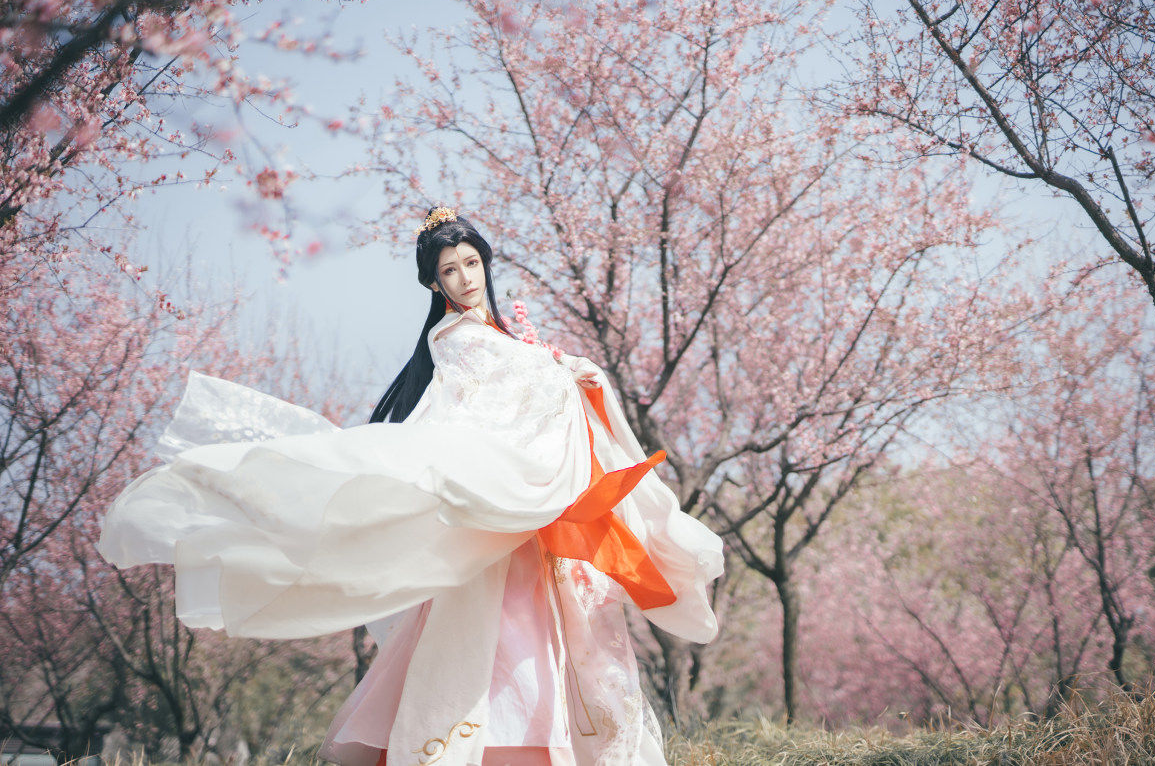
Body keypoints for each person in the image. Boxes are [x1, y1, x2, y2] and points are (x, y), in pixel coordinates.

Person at [97, 207, 723, 766]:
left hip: (531, 523)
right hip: (501, 519)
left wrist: (564, 375)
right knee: (499, 646)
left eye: (472, 263)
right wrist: (567, 374)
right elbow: (520, 400)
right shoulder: (457, 339)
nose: (465, 278)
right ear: (433, 283)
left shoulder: (504, 338)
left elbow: (523, 397)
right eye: (449, 270)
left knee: (547, 647)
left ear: (486, 265)